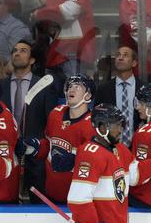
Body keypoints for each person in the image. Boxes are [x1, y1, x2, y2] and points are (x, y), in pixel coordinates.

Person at [17, 74, 97, 204]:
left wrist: (75, 162)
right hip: (50, 195)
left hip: (78, 200)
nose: (72, 89)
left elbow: (96, 163)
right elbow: (49, 145)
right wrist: (34, 147)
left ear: (88, 96)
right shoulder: (56, 114)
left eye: (78, 87)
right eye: (70, 86)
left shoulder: (92, 125)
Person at [0, 38, 59, 202]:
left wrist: (40, 147)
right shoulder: (0, 86)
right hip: (6, 156)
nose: (17, 53)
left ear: (32, 60)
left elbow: (52, 122)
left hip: (35, 159)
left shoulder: (44, 85)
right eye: (15, 51)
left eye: (23, 50)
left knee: (37, 203)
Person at [32, 0, 96, 80]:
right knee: (53, 91)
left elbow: (68, 11)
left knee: (74, 88)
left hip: (73, 53)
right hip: (54, 53)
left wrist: (39, 14)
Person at [94, 46, 141, 146]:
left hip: (138, 147)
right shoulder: (103, 89)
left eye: (125, 55)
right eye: (118, 55)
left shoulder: (143, 88)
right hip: (110, 147)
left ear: (134, 63)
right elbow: (97, 119)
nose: (120, 58)